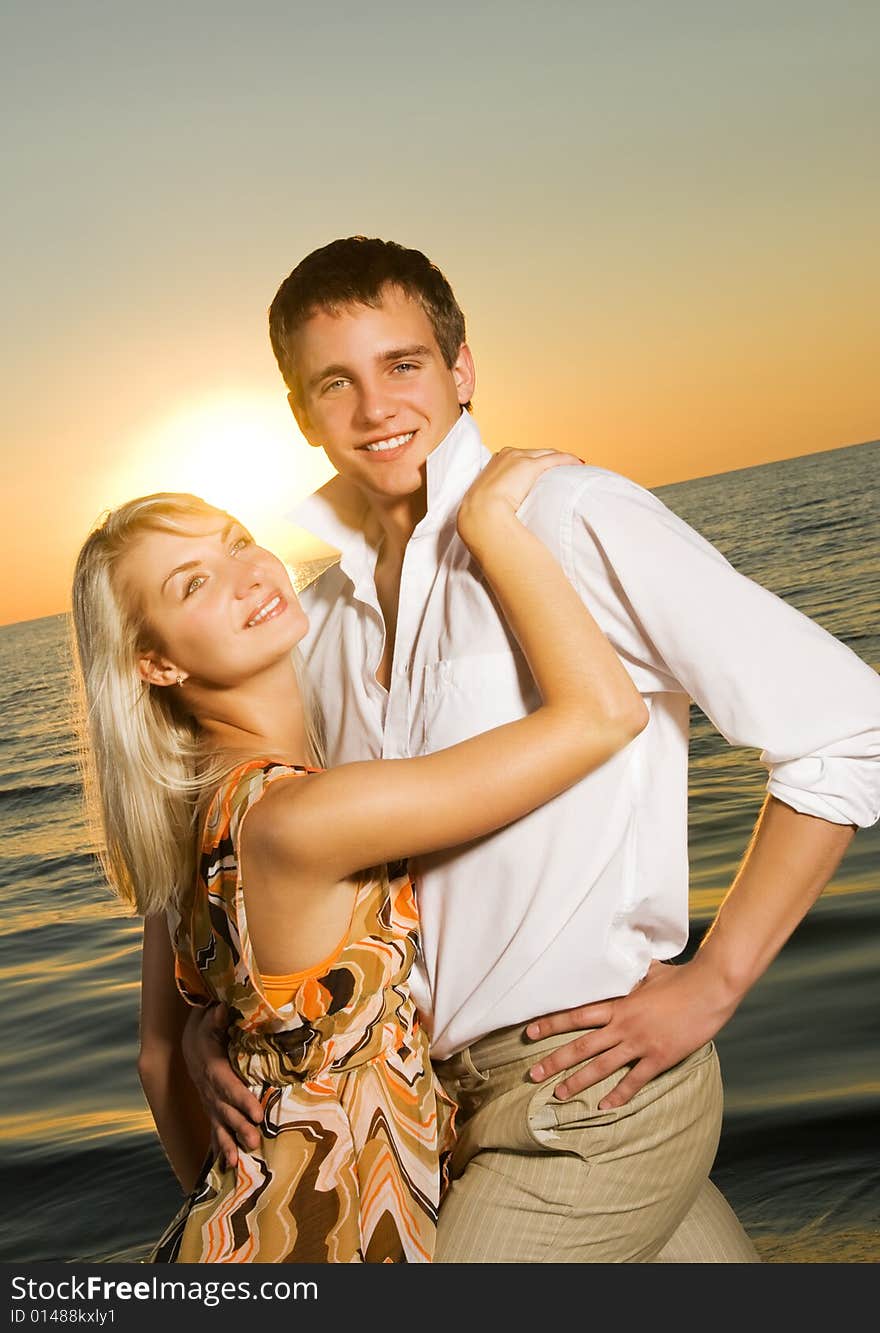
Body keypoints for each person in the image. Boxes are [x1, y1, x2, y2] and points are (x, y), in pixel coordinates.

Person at [182, 237, 880, 1263]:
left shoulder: (569, 515)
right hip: (433, 1107)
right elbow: (277, 838)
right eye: (337, 382)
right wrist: (216, 1027)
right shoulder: (317, 618)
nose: (376, 408)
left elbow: (844, 727)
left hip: (589, 1092)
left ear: (461, 370)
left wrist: (715, 980)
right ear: (302, 413)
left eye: (404, 364)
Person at [71, 452, 649, 1263]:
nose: (247, 573)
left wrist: (236, 1196)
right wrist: (491, 527)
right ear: (158, 663)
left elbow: (160, 1054)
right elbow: (604, 714)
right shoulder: (300, 818)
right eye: (191, 583)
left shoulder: (186, 821)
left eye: (237, 540)